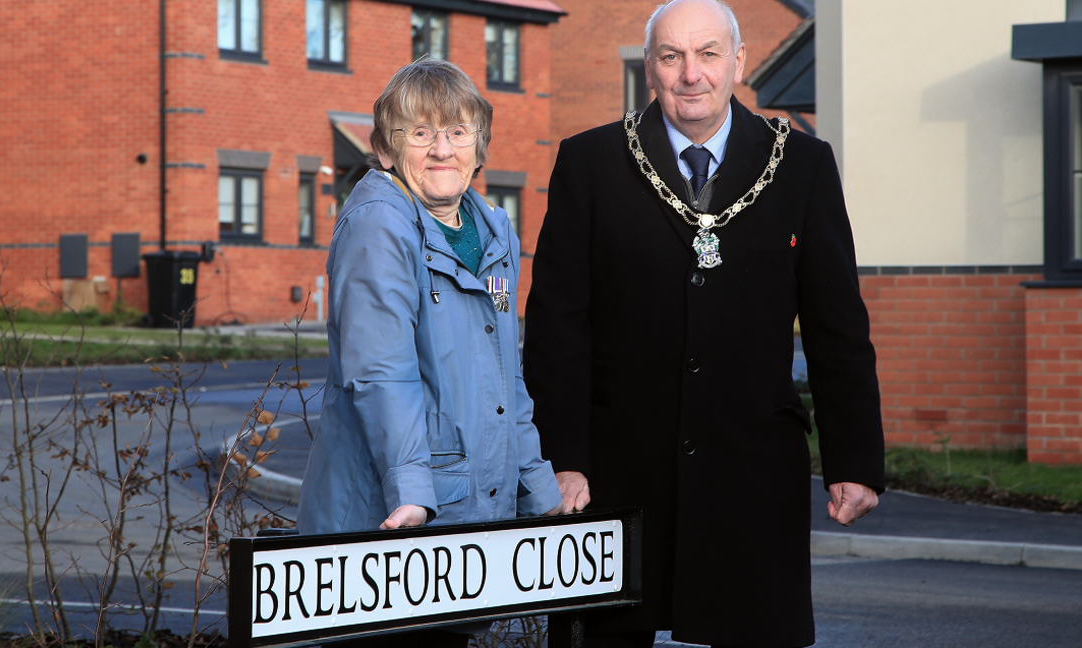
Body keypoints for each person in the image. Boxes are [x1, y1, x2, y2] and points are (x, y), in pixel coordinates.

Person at [522, 1, 885, 647]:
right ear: (650, 69)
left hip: (751, 475)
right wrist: (561, 458)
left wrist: (853, 459)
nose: (691, 74)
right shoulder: (590, 162)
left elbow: (837, 327)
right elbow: (557, 328)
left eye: (708, 54)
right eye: (671, 57)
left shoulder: (801, 165)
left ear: (737, 62)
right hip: (615, 475)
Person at [296, 59, 563, 648]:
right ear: (385, 150)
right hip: (387, 525)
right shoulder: (378, 225)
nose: (442, 149)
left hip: (458, 529)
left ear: (479, 146)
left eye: (457, 132)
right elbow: (381, 373)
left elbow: (505, 376)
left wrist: (536, 484)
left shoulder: (493, 229)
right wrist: (412, 493)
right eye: (419, 133)